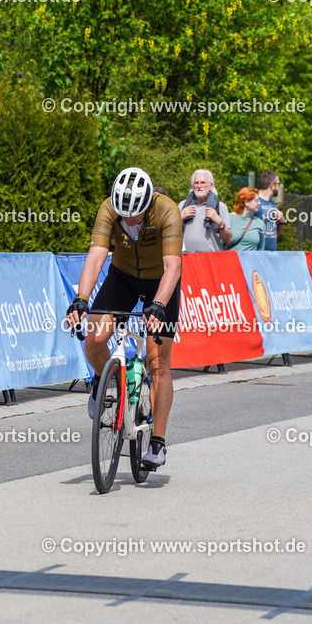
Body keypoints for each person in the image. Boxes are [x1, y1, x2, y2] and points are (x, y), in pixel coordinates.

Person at [65, 167, 183, 470]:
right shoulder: (108, 208)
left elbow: (173, 267)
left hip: (160, 281)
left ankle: (157, 443)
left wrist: (158, 304)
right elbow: (96, 256)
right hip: (123, 277)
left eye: (135, 215)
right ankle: (101, 382)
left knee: (157, 364)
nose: (128, 220)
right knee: (93, 339)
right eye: (123, 215)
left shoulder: (167, 211)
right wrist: (81, 298)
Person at [178, 169, 232, 252]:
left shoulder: (220, 207)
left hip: (211, 260)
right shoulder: (183, 205)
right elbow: (170, 233)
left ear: (210, 186)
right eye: (196, 183)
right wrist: (179, 218)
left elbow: (228, 240)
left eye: (203, 183)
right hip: (187, 259)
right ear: (193, 186)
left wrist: (220, 223)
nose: (199, 186)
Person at [256, 170, 286, 251]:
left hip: (271, 253)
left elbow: (275, 234)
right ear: (272, 186)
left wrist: (282, 221)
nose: (279, 186)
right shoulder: (254, 202)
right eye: (278, 184)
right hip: (257, 254)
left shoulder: (272, 203)